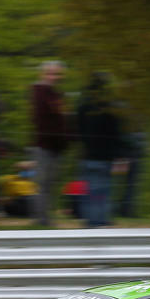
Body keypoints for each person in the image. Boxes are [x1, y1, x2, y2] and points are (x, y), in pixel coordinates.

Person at [76, 72, 121, 227]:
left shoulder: (83, 107)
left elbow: (78, 130)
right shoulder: (110, 108)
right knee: (103, 191)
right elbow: (116, 134)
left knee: (89, 191)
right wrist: (118, 155)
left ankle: (90, 221)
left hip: (87, 155)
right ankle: (100, 221)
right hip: (105, 157)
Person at [30, 60, 69, 226]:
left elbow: (62, 119)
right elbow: (42, 120)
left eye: (56, 74)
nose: (54, 77)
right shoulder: (40, 93)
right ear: (43, 74)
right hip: (44, 144)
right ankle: (41, 219)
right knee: (43, 182)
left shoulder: (56, 95)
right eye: (50, 73)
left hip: (56, 145)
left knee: (51, 182)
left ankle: (46, 217)